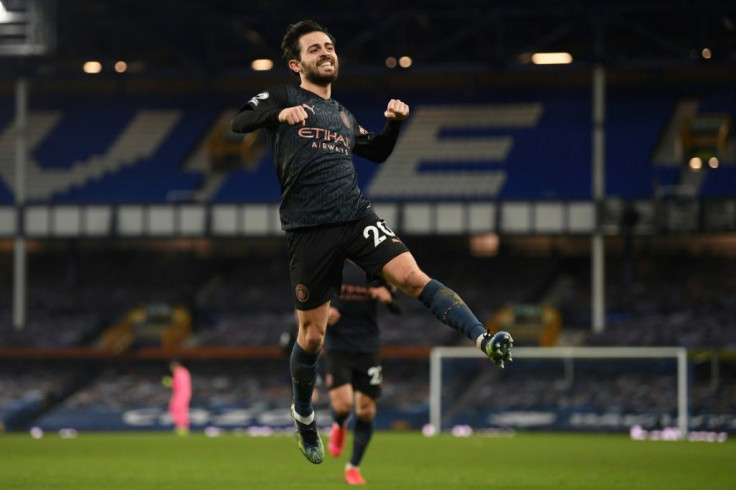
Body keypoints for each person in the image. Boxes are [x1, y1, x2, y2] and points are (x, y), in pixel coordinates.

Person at [230, 19, 513, 465]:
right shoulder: (284, 97)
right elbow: (239, 121)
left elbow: (377, 151)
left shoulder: (343, 114)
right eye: (315, 49)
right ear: (296, 63)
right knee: (312, 335)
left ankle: (484, 338)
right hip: (309, 229)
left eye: (329, 46)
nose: (326, 53)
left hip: (356, 215)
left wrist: (392, 125)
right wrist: (277, 115)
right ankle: (304, 415)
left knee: (413, 277)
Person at [325, 260, 402, 485]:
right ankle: (339, 424)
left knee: (366, 411)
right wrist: (326, 311)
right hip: (339, 347)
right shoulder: (329, 266)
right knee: (343, 405)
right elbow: (306, 303)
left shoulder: (375, 267)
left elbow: (398, 308)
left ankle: (353, 467)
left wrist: (388, 298)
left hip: (368, 349)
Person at [162, 359, 191, 436]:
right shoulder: (184, 371)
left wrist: (169, 383)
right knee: (176, 408)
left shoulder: (179, 372)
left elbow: (178, 385)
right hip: (183, 393)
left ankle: (182, 427)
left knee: (178, 409)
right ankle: (181, 427)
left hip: (181, 393)